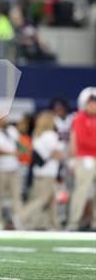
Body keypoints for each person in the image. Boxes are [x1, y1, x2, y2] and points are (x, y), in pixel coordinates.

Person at [20, 111, 63, 230]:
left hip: (38, 172)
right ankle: (22, 216)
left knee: (51, 200)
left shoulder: (37, 134)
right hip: (48, 173)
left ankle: (53, 224)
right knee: (42, 199)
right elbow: (57, 153)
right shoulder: (50, 134)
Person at [66, 91, 96, 231]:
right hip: (84, 158)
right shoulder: (79, 118)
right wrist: (73, 159)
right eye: (91, 103)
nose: (93, 106)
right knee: (81, 191)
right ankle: (73, 222)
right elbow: (78, 140)